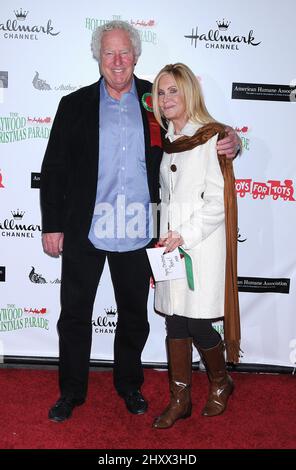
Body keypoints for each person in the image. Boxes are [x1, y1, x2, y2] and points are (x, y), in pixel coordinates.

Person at [40, 21, 241, 423]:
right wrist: (51, 224)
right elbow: (54, 168)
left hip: (140, 230)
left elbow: (198, 131)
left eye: (125, 53)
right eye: (109, 53)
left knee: (134, 316)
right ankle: (72, 392)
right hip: (86, 229)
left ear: (136, 56)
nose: (117, 61)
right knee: (75, 315)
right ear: (98, 58)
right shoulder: (74, 105)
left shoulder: (157, 99)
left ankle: (129, 386)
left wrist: (234, 140)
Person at [151, 63, 240, 429]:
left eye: (174, 90)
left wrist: (183, 235)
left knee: (200, 324)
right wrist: (163, 236)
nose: (166, 98)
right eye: (160, 92)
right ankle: (180, 398)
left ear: (190, 93)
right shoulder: (166, 139)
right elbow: (165, 196)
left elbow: (219, 202)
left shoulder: (211, 137)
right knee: (175, 322)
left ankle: (221, 382)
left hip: (199, 248)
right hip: (170, 248)